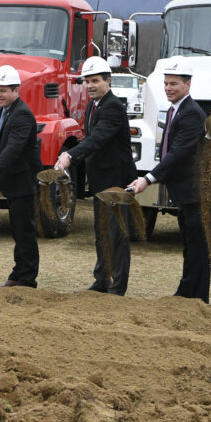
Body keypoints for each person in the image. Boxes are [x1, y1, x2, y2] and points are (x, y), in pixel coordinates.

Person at [127, 60, 211, 302]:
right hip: (188, 191)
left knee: (198, 248)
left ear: (188, 84)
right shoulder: (177, 110)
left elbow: (178, 153)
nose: (168, 88)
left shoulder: (192, 114)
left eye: (174, 84)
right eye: (165, 84)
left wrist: (148, 179)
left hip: (199, 191)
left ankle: (197, 300)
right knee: (190, 245)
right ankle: (186, 294)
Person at [55, 56, 136, 295]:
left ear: (108, 81)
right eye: (87, 81)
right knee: (101, 233)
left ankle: (117, 287)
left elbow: (98, 138)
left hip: (117, 180)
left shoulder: (112, 107)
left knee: (117, 234)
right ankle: (102, 280)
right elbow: (89, 138)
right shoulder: (94, 105)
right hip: (101, 180)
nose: (90, 86)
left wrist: (70, 156)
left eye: (95, 81)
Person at [0, 65, 40, 288]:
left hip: (23, 180)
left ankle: (27, 278)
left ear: (16, 91)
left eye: (3, 90)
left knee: (24, 230)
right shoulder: (2, 110)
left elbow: (14, 148)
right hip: (12, 180)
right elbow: (5, 143)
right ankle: (18, 272)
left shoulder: (22, 114)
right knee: (17, 228)